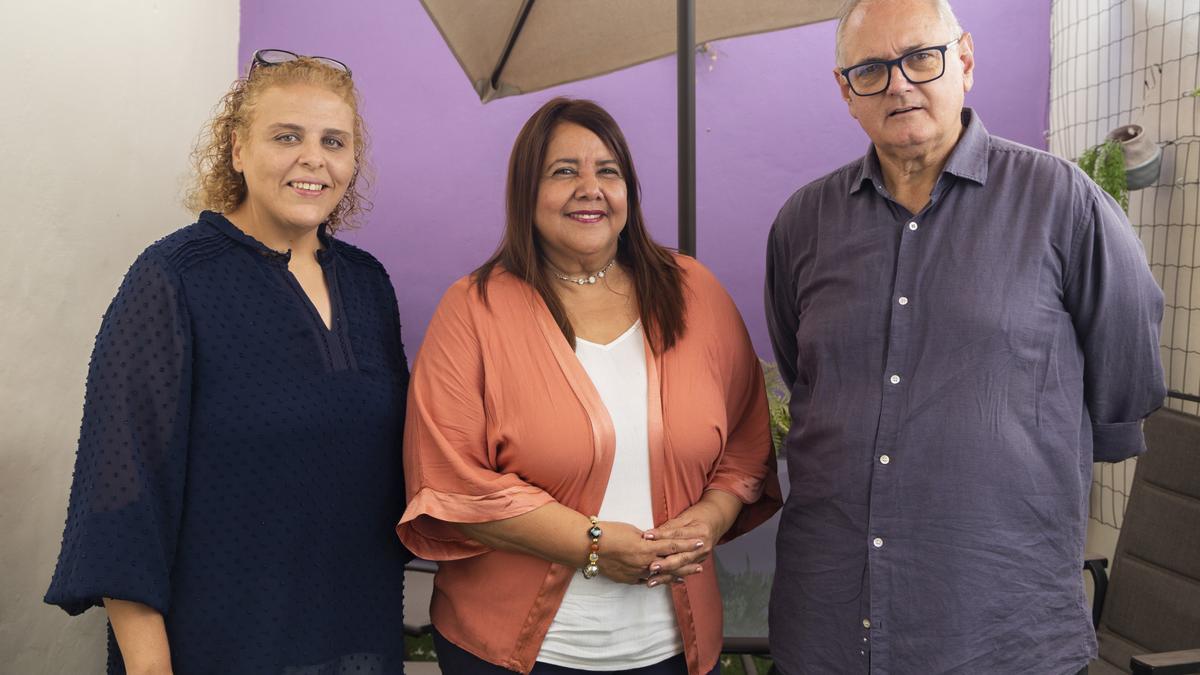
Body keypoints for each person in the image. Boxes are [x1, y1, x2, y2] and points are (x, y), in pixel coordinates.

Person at [764, 0, 1166, 673]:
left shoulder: (1062, 202)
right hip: (830, 624)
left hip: (1000, 628)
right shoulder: (803, 224)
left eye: (921, 57)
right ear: (845, 90)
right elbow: (808, 377)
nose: (899, 83)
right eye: (870, 68)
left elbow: (1123, 380)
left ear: (966, 61)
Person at [45, 50, 411, 675]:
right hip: (217, 645)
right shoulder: (173, 279)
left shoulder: (368, 284)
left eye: (334, 141)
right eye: (286, 136)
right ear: (238, 149)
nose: (313, 159)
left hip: (357, 637)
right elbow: (122, 496)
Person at [397, 97, 781, 675]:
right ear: (526, 192)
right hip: (509, 654)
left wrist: (711, 518)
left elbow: (747, 445)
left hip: (668, 651)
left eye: (608, 170)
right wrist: (595, 544)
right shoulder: (473, 310)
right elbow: (451, 481)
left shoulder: (695, 292)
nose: (590, 187)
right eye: (563, 171)